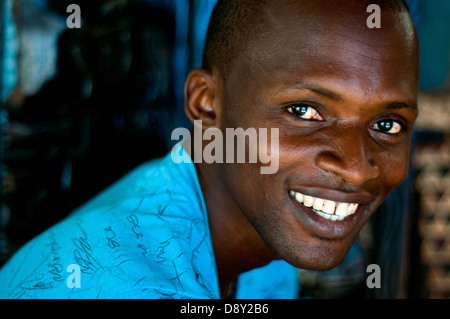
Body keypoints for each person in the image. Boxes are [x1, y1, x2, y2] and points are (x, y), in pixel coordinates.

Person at [0, 0, 419, 299]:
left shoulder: (261, 218)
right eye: (304, 110)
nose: (356, 169)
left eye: (387, 124)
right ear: (207, 102)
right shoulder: (122, 287)